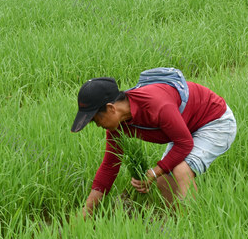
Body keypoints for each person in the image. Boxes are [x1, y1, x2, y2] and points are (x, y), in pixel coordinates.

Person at [70, 69, 236, 217]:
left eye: (96, 120)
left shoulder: (157, 105)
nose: (98, 125)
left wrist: (155, 171)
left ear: (111, 108)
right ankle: (180, 225)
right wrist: (86, 212)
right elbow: (109, 166)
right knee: (164, 181)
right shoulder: (117, 127)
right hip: (185, 127)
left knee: (181, 170)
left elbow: (184, 144)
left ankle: (196, 226)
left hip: (215, 121)